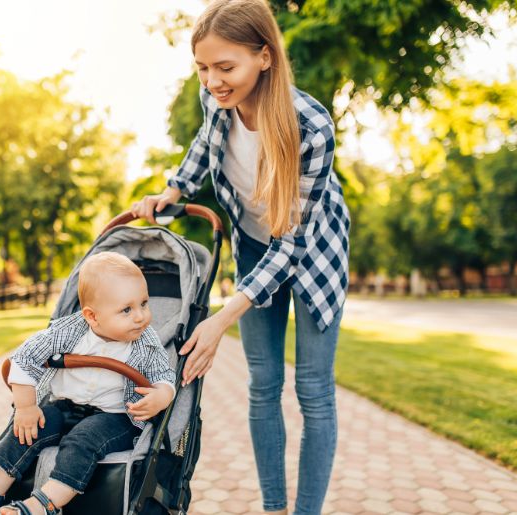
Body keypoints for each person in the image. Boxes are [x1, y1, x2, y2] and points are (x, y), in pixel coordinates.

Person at [131, 1, 350, 513]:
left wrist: (221, 317)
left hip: (314, 249)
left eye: (225, 67)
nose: (212, 82)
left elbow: (292, 243)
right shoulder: (218, 103)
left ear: (265, 57)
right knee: (263, 384)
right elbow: (203, 147)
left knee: (313, 388)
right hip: (253, 244)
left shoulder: (311, 127)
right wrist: (172, 190)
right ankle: (275, 508)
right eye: (203, 68)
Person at [0, 252, 175, 515]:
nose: (140, 316)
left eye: (144, 304)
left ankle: (45, 503)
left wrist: (161, 396)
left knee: (83, 439)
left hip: (117, 417)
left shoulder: (145, 340)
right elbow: (23, 359)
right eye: (127, 309)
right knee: (26, 429)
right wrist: (26, 408)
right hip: (65, 407)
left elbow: (163, 375)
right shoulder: (69, 331)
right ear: (92, 316)